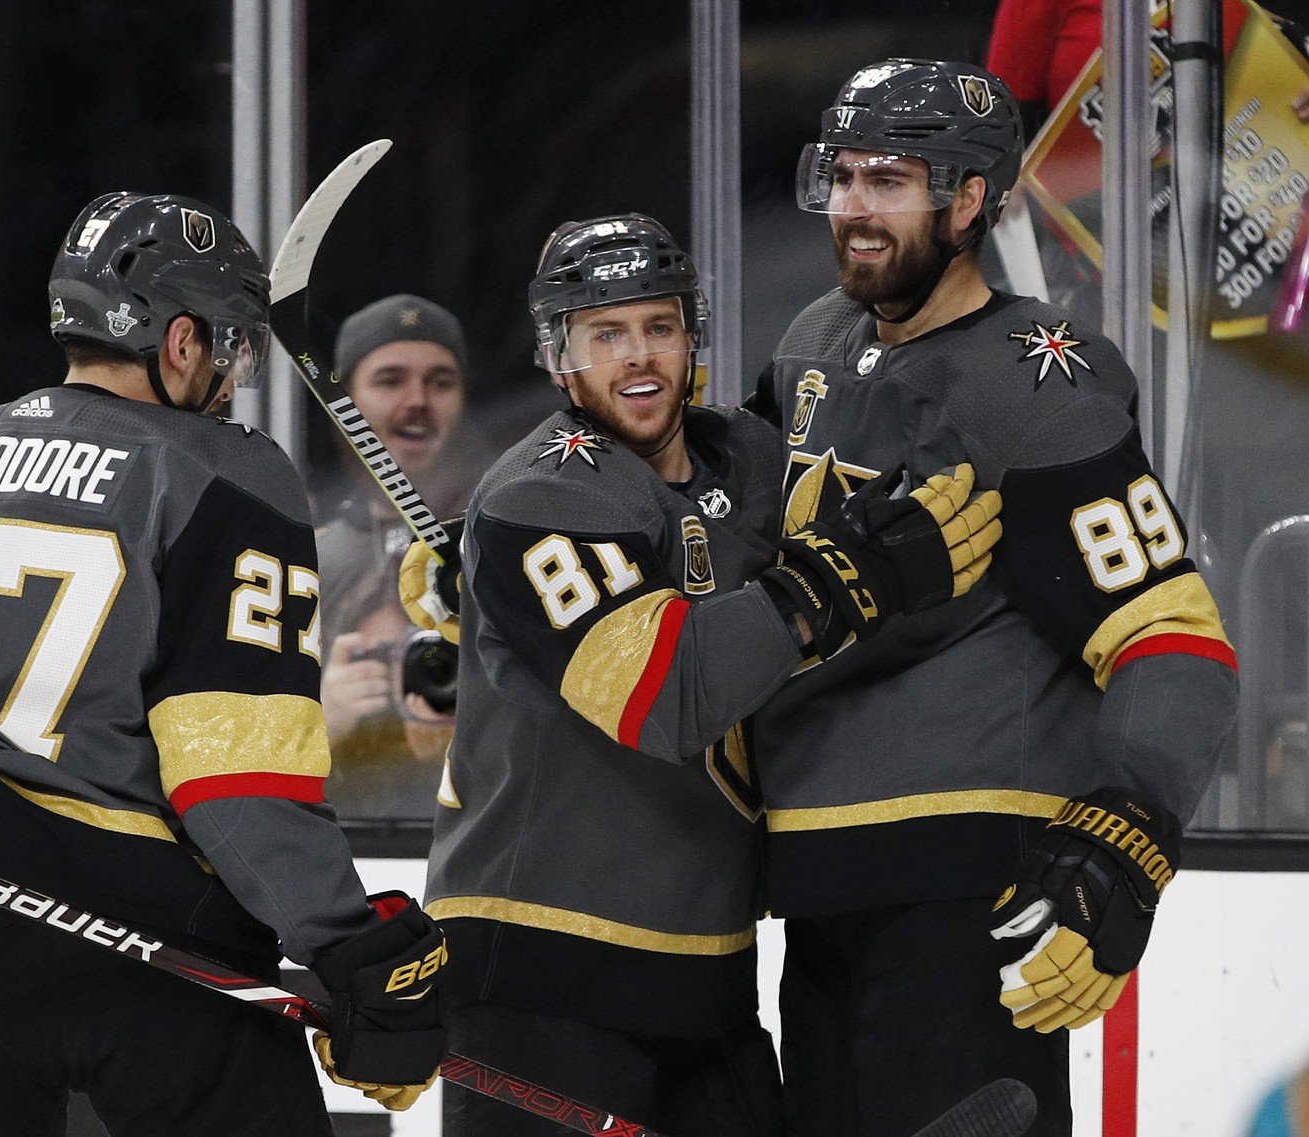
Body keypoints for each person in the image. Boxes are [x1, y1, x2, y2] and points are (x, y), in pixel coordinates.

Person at [0, 191, 446, 1137]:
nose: (231, 376)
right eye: (226, 344)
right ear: (179, 340)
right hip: (151, 951)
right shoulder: (226, 472)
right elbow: (235, 773)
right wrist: (348, 942)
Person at [408, 213, 1003, 1136]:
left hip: (707, 972)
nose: (638, 356)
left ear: (694, 337)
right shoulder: (544, 492)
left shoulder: (749, 458)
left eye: (658, 326)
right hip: (540, 967)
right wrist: (848, 578)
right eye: (603, 334)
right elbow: (669, 697)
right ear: (556, 358)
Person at [747, 60, 1239, 1136]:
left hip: (965, 896)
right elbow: (718, 524)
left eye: (889, 181)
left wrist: (1123, 834)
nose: (854, 210)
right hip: (815, 884)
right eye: (842, 178)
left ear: (970, 200)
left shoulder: (1037, 380)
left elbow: (1174, 640)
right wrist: (525, 551)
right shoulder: (815, 348)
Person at [315, 294, 472, 821]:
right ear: (345, 402)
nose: (418, 400)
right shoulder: (302, 554)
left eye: (441, 381)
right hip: (343, 849)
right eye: (389, 380)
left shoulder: (508, 548)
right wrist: (319, 722)